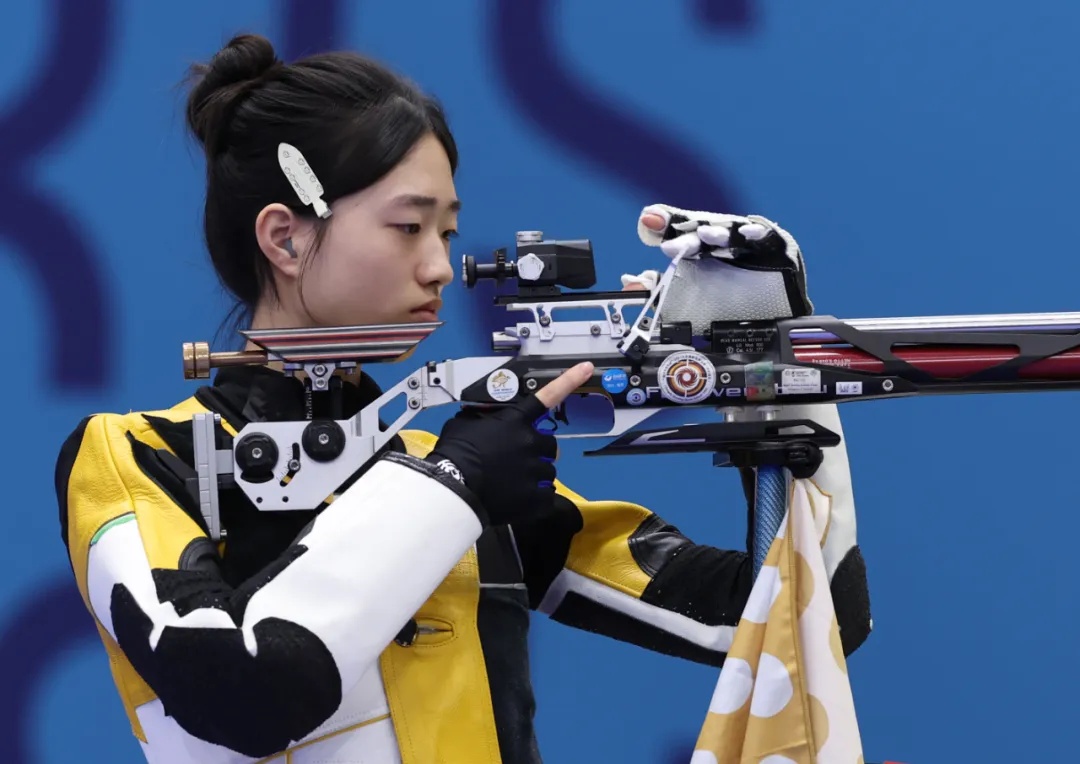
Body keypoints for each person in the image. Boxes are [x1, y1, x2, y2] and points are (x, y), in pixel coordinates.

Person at [54, 33, 872, 764]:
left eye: (447, 232)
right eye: (408, 227)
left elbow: (807, 625)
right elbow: (241, 695)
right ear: (286, 237)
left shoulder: (456, 470)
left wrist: (774, 362)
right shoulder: (136, 458)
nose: (443, 266)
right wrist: (452, 490)